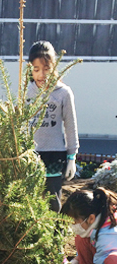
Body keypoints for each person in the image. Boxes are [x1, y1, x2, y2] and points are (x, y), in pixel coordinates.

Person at [27, 40, 79, 213]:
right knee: (30, 202)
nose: (41, 74)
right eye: (36, 69)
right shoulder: (26, 92)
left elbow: (70, 125)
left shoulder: (63, 93)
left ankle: (50, 239)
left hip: (54, 155)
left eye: (46, 68)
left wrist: (72, 157)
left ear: (54, 67)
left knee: (53, 203)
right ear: (30, 69)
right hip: (30, 155)